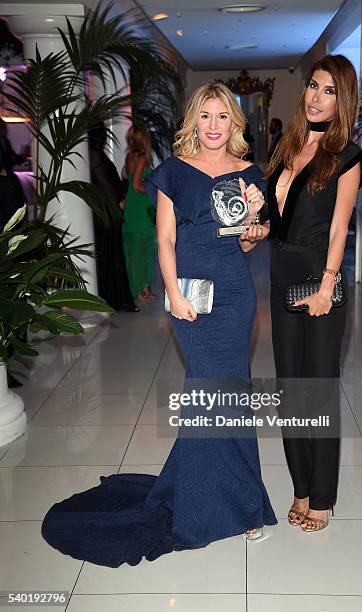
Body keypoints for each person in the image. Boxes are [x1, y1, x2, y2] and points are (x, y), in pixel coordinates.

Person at [41, 82, 277, 568]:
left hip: (234, 296)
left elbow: (248, 245)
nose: (214, 126)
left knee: (230, 392)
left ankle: (244, 502)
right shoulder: (173, 171)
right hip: (190, 292)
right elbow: (165, 241)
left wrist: (254, 226)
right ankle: (219, 503)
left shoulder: (249, 174)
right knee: (209, 393)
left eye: (223, 117)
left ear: (235, 123)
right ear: (194, 121)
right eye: (205, 116)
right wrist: (172, 293)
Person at [241, 55, 362, 532]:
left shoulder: (347, 157)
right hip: (280, 277)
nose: (316, 97)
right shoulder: (285, 148)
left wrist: (327, 288)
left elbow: (338, 229)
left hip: (320, 282)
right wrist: (254, 229)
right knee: (289, 392)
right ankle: (301, 486)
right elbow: (281, 222)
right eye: (314, 86)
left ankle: (324, 497)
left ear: (343, 100)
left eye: (329, 91)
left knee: (318, 391)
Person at [88, 122, 135, 311]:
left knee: (112, 256)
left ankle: (116, 300)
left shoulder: (94, 153)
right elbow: (105, 185)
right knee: (111, 256)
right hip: (106, 214)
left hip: (107, 213)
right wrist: (119, 198)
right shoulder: (94, 154)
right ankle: (115, 300)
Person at [121, 124, 156, 306]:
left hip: (131, 208)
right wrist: (154, 191)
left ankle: (137, 288)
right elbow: (136, 185)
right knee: (144, 249)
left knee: (134, 251)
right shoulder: (141, 157)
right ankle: (143, 290)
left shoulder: (129, 157)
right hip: (141, 208)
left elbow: (125, 180)